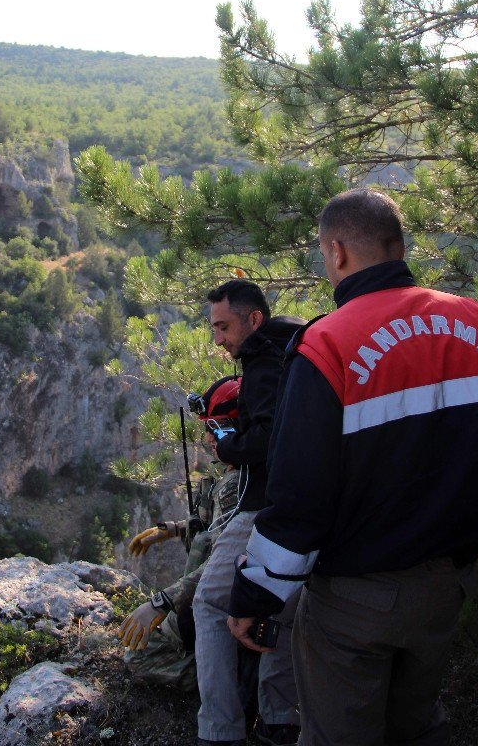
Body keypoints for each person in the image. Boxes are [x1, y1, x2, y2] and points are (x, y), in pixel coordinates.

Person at [227, 188, 478, 746]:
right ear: (400, 246)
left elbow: (299, 494)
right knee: (417, 726)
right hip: (447, 589)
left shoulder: (327, 346)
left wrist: (255, 598)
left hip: (355, 601)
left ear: (337, 253)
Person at [193, 280, 305, 746]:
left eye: (223, 326)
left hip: (264, 507)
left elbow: (266, 437)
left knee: (210, 603)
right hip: (311, 507)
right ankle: (280, 720)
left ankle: (220, 730)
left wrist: (227, 445)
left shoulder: (262, 361)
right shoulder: (301, 346)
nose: (219, 339)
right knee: (280, 607)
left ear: (253, 319)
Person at [117, 377, 244, 692]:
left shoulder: (237, 485)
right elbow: (215, 531)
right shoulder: (237, 476)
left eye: (221, 429)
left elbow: (222, 563)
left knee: (138, 658)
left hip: (216, 607)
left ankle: (232, 681)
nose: (211, 439)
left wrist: (162, 601)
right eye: (209, 430)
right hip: (212, 607)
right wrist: (171, 529)